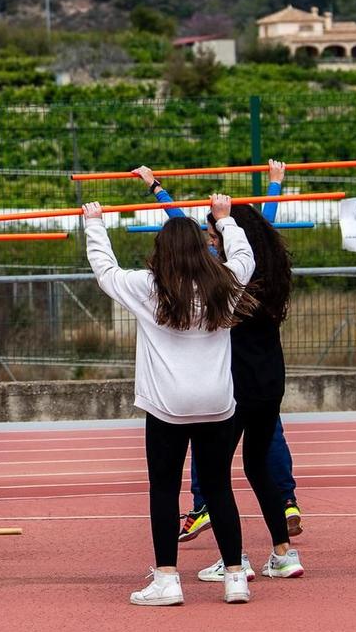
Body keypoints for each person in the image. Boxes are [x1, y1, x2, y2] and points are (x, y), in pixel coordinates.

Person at [83, 194, 255, 606]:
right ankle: (235, 576)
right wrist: (225, 219)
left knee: (164, 489)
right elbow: (245, 255)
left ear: (161, 252)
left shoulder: (149, 287)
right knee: (219, 490)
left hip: (168, 407)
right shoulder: (225, 284)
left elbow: (105, 271)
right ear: (201, 249)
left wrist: (94, 222)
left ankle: (167, 579)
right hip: (216, 404)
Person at [150, 162, 303, 545]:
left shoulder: (225, 280)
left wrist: (157, 189)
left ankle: (218, 534)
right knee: (261, 455)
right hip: (269, 379)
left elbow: (184, 232)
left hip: (232, 383)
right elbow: (262, 222)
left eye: (215, 238)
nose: (211, 243)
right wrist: (274, 184)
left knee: (213, 468)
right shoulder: (267, 270)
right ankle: (285, 522)